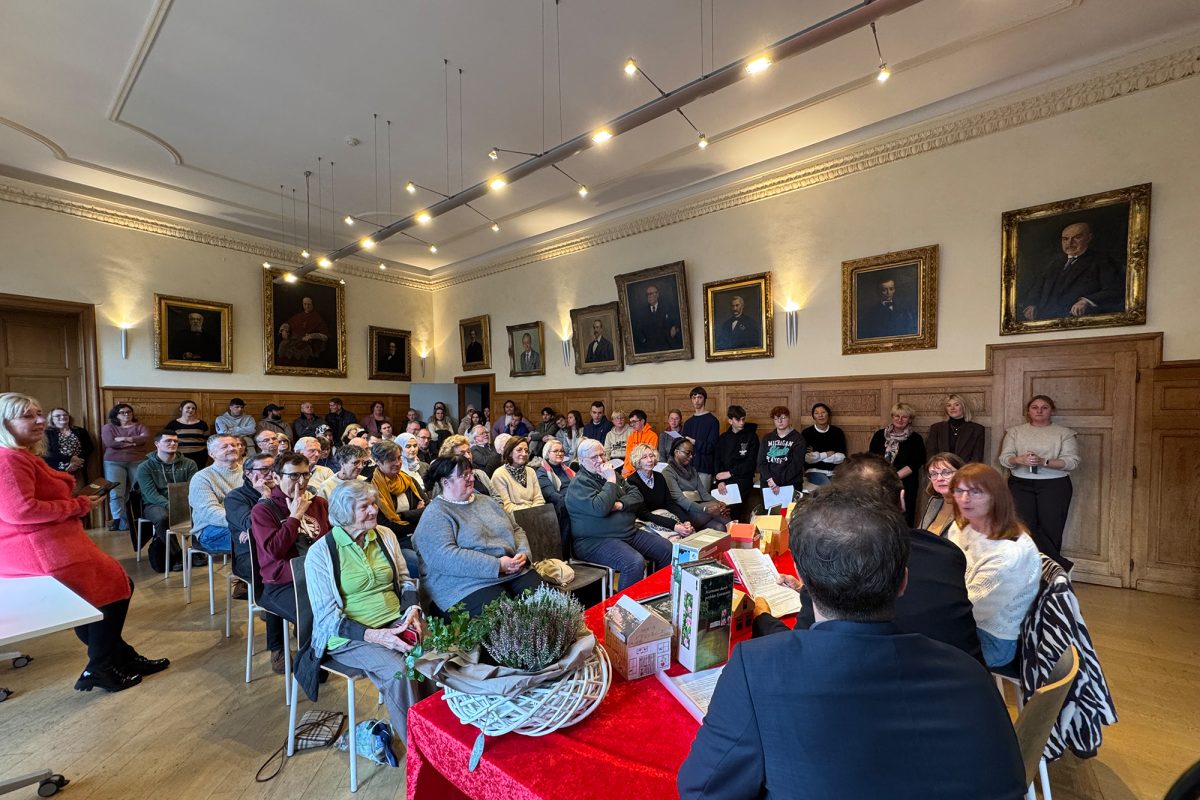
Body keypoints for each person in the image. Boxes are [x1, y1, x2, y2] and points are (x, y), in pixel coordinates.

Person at [678, 485, 1025, 800]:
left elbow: (701, 791)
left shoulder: (755, 668)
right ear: (903, 582)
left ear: (800, 577)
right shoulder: (969, 672)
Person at [0, 393, 168, 693]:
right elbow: (20, 511)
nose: (40, 420)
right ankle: (99, 667)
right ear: (4, 422)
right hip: (37, 548)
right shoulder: (7, 458)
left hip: (53, 540)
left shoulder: (20, 454)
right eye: (27, 415)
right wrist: (76, 506)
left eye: (40, 413)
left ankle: (120, 657)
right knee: (115, 587)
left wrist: (75, 501)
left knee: (102, 592)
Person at [755, 453, 984, 664]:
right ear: (902, 500)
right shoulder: (946, 552)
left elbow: (803, 650)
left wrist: (762, 618)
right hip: (965, 683)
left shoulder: (829, 556)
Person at [301, 479, 428, 747]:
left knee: (435, 657)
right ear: (345, 512)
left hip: (396, 620)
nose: (373, 511)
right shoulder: (321, 553)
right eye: (364, 507)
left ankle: (442, 735)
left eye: (374, 504)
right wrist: (379, 636)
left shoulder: (384, 535)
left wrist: (412, 611)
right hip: (351, 635)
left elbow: (405, 580)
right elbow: (327, 618)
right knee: (400, 672)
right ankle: (420, 751)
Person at [414, 455, 546, 617]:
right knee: (507, 621)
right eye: (464, 475)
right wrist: (496, 565)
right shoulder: (436, 514)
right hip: (465, 583)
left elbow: (516, 529)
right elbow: (444, 556)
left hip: (513, 569)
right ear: (445, 482)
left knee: (550, 605)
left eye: (471, 473)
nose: (471, 478)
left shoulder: (486, 501)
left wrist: (523, 554)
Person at [947, 464, 1042, 668]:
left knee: (914, 650)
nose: (965, 499)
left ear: (996, 497)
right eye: (959, 490)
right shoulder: (962, 526)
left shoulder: (1008, 554)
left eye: (976, 492)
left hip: (993, 639)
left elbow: (972, 610)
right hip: (965, 618)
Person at [251, 451, 332, 673]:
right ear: (277, 477)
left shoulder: (319, 503)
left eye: (306, 475)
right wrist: (294, 517)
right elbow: (274, 551)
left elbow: (332, 541)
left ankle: (329, 655)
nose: (302, 482)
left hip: (319, 576)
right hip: (282, 583)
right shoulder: (264, 509)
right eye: (294, 476)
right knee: (317, 613)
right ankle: (310, 667)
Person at [566, 438, 671, 590]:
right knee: (634, 563)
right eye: (594, 457)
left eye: (602, 455)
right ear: (581, 461)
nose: (601, 460)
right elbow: (600, 508)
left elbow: (637, 496)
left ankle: (656, 595)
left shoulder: (612, 473)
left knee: (667, 549)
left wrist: (620, 504)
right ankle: (621, 610)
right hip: (594, 541)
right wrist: (610, 480)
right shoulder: (580, 483)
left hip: (627, 532)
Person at [998, 394, 1079, 571]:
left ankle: (1052, 570)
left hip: (1054, 485)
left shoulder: (1064, 433)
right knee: (1024, 528)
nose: (1039, 411)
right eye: (1035, 407)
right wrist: (1018, 459)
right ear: (1028, 411)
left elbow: (1072, 462)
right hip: (1020, 484)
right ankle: (1034, 568)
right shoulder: (1015, 432)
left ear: (1052, 411)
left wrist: (1044, 462)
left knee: (1051, 529)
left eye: (1044, 407)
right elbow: (1004, 459)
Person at [1021, 222, 1125, 321]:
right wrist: (1031, 304)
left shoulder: (1102, 261)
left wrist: (1086, 301)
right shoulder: (1054, 263)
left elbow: (1115, 290)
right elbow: (1037, 288)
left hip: (1081, 322)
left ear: (1089, 238)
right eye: (1065, 239)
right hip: (1046, 320)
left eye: (1077, 237)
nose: (1070, 243)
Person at [134, 431, 198, 570]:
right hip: (155, 504)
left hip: (185, 502)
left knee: (203, 512)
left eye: (175, 441)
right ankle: (177, 554)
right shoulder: (145, 467)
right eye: (168, 441)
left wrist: (186, 505)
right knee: (163, 517)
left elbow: (194, 488)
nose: (173, 443)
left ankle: (198, 549)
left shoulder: (189, 464)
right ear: (157, 444)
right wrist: (172, 506)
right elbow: (150, 494)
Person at [225, 451, 275, 603]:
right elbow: (250, 524)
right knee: (276, 569)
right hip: (250, 554)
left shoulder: (281, 491)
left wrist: (254, 532)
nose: (271, 473)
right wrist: (264, 498)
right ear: (248, 473)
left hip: (276, 546)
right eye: (265, 469)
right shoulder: (235, 497)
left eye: (274, 468)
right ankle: (272, 608)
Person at [370, 440, 425, 574]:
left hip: (419, 535)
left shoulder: (408, 480)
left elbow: (428, 510)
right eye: (391, 460)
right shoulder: (370, 488)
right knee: (422, 564)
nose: (397, 463)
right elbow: (384, 526)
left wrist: (402, 516)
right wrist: (415, 514)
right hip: (393, 541)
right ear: (377, 461)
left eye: (399, 458)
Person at [869, 402, 926, 526]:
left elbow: (915, 463)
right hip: (879, 482)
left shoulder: (916, 439)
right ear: (892, 417)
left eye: (904, 417)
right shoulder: (879, 435)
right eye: (896, 416)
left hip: (905, 485)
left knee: (904, 519)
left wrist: (892, 477)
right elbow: (871, 458)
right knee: (879, 517)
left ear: (910, 419)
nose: (900, 420)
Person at [625, 444, 695, 538]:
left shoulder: (659, 477)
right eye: (644, 457)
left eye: (651, 456)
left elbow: (670, 503)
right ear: (637, 461)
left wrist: (685, 521)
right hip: (644, 521)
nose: (650, 460)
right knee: (676, 538)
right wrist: (674, 526)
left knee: (690, 532)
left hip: (663, 516)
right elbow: (643, 514)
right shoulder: (632, 481)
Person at [188, 434, 243, 552]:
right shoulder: (202, 478)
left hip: (244, 523)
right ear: (211, 454)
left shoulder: (248, 472)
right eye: (224, 447)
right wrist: (247, 523)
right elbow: (210, 513)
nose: (232, 448)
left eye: (234, 445)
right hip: (211, 529)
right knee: (259, 538)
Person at [663, 438, 730, 532]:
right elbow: (680, 500)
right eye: (687, 453)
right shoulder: (668, 472)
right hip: (685, 513)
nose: (691, 456)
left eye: (692, 453)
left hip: (700, 510)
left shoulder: (692, 470)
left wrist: (720, 504)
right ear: (676, 452)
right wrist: (705, 509)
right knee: (719, 509)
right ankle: (740, 535)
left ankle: (735, 539)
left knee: (720, 527)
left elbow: (704, 494)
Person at [101, 403, 149, 531]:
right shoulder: (108, 427)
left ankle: (138, 518)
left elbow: (144, 439)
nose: (126, 414)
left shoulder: (140, 426)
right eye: (122, 412)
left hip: (137, 461)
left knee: (138, 490)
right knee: (116, 492)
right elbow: (110, 443)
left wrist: (123, 439)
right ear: (116, 415)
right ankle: (119, 521)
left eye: (129, 411)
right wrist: (133, 442)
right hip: (113, 462)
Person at [713, 405, 758, 523]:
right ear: (730, 420)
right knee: (717, 507)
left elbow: (751, 463)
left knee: (732, 508)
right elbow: (717, 460)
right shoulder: (723, 438)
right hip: (724, 479)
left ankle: (735, 531)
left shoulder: (751, 437)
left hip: (742, 478)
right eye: (738, 419)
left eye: (743, 419)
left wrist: (730, 473)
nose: (742, 422)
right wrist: (719, 480)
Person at [758, 406, 806, 502]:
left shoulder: (798, 439)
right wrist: (770, 480)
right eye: (776, 418)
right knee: (769, 513)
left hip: (790, 481)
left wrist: (777, 481)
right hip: (769, 482)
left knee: (789, 513)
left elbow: (796, 465)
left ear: (789, 418)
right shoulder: (767, 438)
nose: (779, 421)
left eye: (783, 418)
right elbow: (761, 462)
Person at [490, 436, 546, 514]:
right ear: (509, 453)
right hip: (514, 518)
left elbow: (539, 499)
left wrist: (534, 511)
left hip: (535, 514)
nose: (524, 454)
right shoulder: (499, 475)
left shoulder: (531, 471)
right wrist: (530, 511)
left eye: (526, 451)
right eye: (519, 450)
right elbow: (506, 506)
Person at [926, 393, 986, 464]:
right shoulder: (936, 428)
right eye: (949, 405)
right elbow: (931, 454)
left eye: (956, 405)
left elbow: (977, 457)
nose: (952, 408)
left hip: (965, 472)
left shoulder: (977, 429)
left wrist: (963, 472)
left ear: (964, 407)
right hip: (941, 471)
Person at [43, 407, 94, 486]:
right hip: (56, 469)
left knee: (79, 494)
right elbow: (46, 452)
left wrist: (77, 462)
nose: (62, 417)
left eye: (65, 415)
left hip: (78, 468)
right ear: (51, 419)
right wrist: (70, 459)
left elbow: (89, 448)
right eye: (58, 415)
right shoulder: (47, 433)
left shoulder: (80, 431)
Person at [921, 452, 967, 536]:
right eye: (934, 474)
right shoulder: (934, 501)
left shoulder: (970, 505)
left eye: (946, 473)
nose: (939, 478)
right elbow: (920, 534)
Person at [801, 402, 847, 486]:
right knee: (827, 487)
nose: (820, 415)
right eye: (817, 413)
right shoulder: (807, 433)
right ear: (813, 416)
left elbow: (841, 457)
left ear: (828, 415)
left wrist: (818, 456)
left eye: (823, 412)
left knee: (845, 488)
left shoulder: (837, 432)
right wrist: (826, 454)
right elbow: (808, 459)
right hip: (814, 471)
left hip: (835, 471)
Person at [682, 387, 719, 490]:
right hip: (688, 467)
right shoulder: (688, 422)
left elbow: (712, 446)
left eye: (699, 397)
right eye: (694, 398)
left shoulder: (712, 421)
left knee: (703, 502)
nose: (696, 400)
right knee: (688, 500)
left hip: (704, 467)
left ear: (704, 399)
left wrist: (694, 442)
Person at [537, 439, 575, 531]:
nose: (560, 453)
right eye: (556, 451)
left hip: (576, 499)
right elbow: (551, 495)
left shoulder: (566, 468)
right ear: (547, 453)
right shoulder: (542, 472)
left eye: (561, 451)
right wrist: (573, 502)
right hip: (561, 504)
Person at [632, 283, 681, 352]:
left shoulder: (667, 307)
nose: (649, 296)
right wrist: (643, 340)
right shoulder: (642, 312)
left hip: (666, 345)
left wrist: (675, 327)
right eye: (647, 294)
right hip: (649, 347)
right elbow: (637, 329)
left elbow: (678, 321)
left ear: (657, 294)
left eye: (651, 294)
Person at [284, 295, 330, 364]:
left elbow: (325, 336)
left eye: (309, 304)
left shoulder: (317, 318)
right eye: (305, 304)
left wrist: (311, 336)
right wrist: (284, 330)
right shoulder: (298, 316)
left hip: (309, 344)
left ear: (313, 305)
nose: (307, 306)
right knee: (283, 346)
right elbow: (288, 324)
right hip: (294, 340)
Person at [163, 400, 209, 464]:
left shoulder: (202, 424)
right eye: (188, 408)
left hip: (200, 455)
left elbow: (207, 440)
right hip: (179, 455)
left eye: (193, 408)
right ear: (181, 409)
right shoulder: (173, 424)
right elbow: (166, 440)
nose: (191, 410)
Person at [621, 409, 658, 477]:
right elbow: (628, 456)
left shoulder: (652, 436)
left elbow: (647, 458)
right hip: (629, 471)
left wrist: (629, 470)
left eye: (634, 422)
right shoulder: (631, 436)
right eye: (631, 422)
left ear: (642, 421)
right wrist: (626, 468)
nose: (632, 425)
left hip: (644, 471)